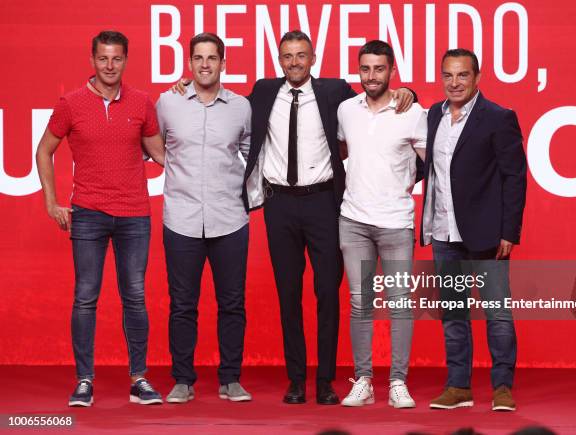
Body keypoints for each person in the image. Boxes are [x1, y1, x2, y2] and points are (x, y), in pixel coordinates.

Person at [174, 29, 415, 404]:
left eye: (301, 55)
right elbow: (221, 95)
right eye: (287, 56)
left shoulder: (336, 92)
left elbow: (376, 106)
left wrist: (409, 93)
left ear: (313, 58)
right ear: (279, 60)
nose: (295, 62)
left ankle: (326, 381)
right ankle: (297, 379)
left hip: (323, 203)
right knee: (288, 294)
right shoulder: (265, 91)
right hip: (279, 205)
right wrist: (188, 83)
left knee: (327, 295)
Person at [35, 30, 165, 407]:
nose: (110, 66)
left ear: (126, 60)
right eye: (103, 59)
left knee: (136, 297)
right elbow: (44, 151)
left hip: (134, 214)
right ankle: (84, 381)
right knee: (85, 298)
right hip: (89, 213)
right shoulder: (71, 104)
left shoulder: (142, 102)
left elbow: (162, 155)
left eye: (117, 59)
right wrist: (51, 202)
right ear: (92, 60)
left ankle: (139, 379)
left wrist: (179, 96)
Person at [420, 48, 527, 411]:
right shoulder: (433, 115)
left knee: (497, 312)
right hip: (443, 233)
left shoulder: (498, 117)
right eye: (448, 75)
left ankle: (502, 387)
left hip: (486, 234)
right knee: (453, 312)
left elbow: (515, 177)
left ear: (477, 77)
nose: (455, 82)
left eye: (462, 75)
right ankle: (458, 386)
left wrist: (509, 231)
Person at [156, 33, 252, 404]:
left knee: (232, 303)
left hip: (230, 219)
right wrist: (180, 170)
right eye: (198, 58)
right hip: (181, 219)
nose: (205, 64)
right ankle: (183, 379)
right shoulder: (168, 102)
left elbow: (250, 154)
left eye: (212, 58)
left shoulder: (241, 107)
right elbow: (153, 143)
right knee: (182, 304)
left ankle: (231, 379)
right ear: (190, 63)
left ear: (223, 63)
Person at [335, 40, 426, 409]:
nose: (371, 76)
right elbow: (343, 150)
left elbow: (434, 161)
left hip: (395, 222)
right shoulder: (346, 109)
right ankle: (364, 380)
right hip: (353, 220)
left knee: (400, 303)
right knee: (360, 303)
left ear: (392, 71)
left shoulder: (412, 111)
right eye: (366, 69)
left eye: (379, 69)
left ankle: (398, 382)